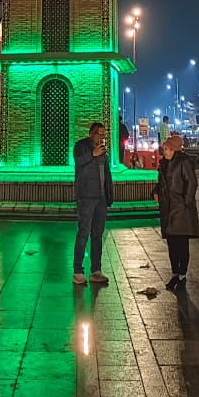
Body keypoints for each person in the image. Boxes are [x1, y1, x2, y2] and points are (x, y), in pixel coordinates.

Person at [154, 130, 199, 291]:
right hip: (168, 208)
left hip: (180, 209)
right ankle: (175, 272)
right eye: (164, 149)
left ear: (174, 149)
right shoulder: (164, 163)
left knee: (181, 243)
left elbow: (192, 183)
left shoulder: (183, 162)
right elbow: (162, 182)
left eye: (166, 149)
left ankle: (182, 273)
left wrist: (185, 202)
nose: (164, 151)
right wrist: (156, 191)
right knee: (172, 243)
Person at [73, 122, 113, 287]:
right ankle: (78, 271)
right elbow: (79, 162)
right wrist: (92, 154)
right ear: (91, 133)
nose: (101, 137)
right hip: (87, 197)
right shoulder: (81, 146)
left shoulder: (103, 151)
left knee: (97, 234)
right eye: (98, 133)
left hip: (101, 198)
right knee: (83, 233)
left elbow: (107, 174)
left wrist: (109, 194)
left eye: (103, 134)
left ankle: (96, 270)